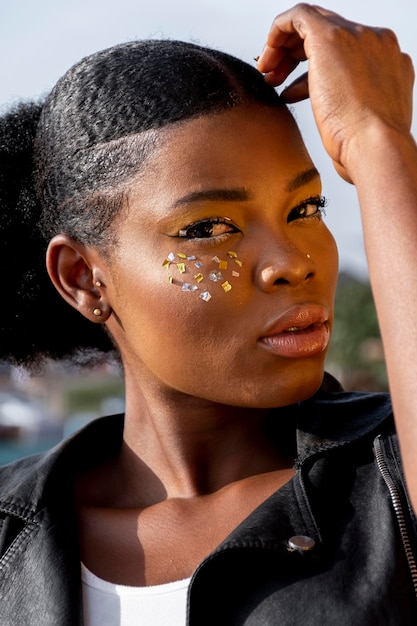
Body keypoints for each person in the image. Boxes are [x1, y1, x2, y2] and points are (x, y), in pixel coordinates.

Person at [0, 3, 416, 624]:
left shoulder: (393, 478)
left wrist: (380, 144)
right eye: (208, 228)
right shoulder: (11, 537)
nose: (290, 263)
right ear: (84, 278)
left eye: (306, 208)